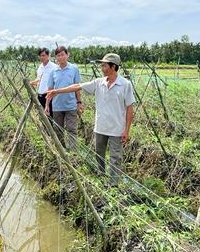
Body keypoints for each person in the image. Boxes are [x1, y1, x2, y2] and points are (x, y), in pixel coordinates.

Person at [46, 53, 135, 185]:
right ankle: (101, 175)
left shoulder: (125, 85)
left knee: (115, 157)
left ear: (113, 67)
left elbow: (129, 109)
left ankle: (113, 184)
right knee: (99, 153)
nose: (101, 67)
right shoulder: (99, 83)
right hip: (100, 127)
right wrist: (56, 91)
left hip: (117, 128)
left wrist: (126, 130)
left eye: (104, 65)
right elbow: (77, 86)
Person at [45, 46, 83, 151]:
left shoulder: (74, 69)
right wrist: (47, 105)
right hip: (57, 105)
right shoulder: (53, 71)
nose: (60, 57)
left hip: (71, 105)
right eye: (58, 55)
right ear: (55, 57)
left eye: (62, 54)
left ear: (67, 55)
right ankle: (62, 151)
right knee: (58, 130)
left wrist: (79, 102)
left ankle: (73, 152)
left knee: (72, 129)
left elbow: (77, 87)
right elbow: (50, 89)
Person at [29, 48, 58, 115]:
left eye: (43, 55)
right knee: (42, 116)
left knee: (50, 115)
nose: (42, 57)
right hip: (40, 95)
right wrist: (31, 83)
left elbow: (57, 81)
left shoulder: (54, 67)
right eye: (40, 56)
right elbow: (39, 80)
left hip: (49, 95)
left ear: (48, 56)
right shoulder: (40, 67)